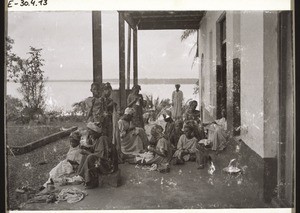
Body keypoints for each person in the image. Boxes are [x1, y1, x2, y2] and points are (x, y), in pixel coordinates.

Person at [77, 122, 112, 189]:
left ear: (96, 132)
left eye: (91, 133)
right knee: (85, 156)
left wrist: (86, 152)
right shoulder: (98, 139)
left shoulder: (103, 139)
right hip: (100, 161)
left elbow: (101, 156)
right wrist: (85, 147)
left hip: (107, 164)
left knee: (90, 157)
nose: (90, 135)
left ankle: (91, 182)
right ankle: (80, 176)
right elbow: (94, 148)